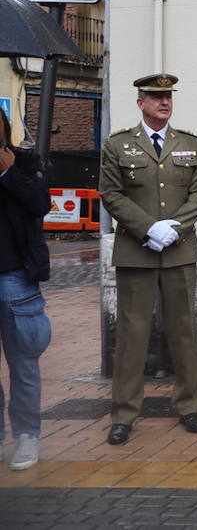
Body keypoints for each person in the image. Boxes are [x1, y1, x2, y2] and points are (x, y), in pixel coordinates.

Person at [99, 73, 197, 445]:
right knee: (132, 335)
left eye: (168, 96)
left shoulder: (190, 144)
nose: (164, 102)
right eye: (155, 96)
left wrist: (172, 229)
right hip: (136, 250)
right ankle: (125, 413)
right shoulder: (118, 144)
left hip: (178, 250)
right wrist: (149, 228)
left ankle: (189, 405)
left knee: (183, 331)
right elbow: (111, 193)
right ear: (140, 102)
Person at [0, 108, 53, 471]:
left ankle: (26, 436)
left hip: (15, 276)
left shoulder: (24, 161)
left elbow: (40, 204)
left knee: (23, 362)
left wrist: (8, 172)